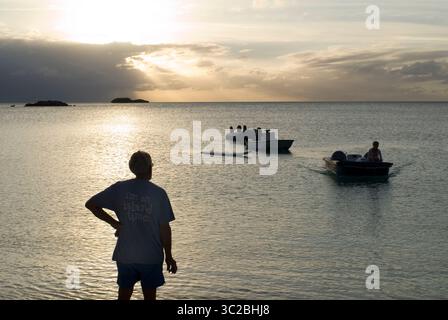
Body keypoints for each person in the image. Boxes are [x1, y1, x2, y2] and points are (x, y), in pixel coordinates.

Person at [85, 151, 177, 300]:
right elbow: (164, 229)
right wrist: (169, 257)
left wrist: (115, 224)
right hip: (150, 256)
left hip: (125, 255)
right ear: (149, 169)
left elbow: (91, 204)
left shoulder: (119, 189)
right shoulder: (159, 193)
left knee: (123, 297)